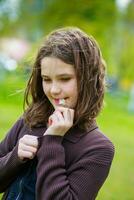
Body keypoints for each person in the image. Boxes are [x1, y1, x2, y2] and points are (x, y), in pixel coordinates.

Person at [0, 27, 115, 200]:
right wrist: (15, 157)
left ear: (88, 79)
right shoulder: (30, 120)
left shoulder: (98, 148)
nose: (53, 90)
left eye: (64, 79)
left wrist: (52, 142)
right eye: (47, 79)